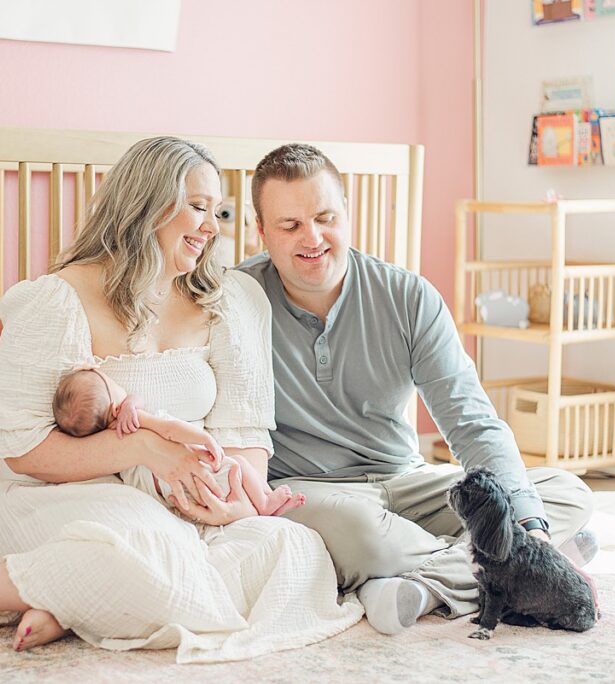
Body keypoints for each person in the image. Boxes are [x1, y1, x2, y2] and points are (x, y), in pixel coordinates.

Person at [0, 137, 361, 661]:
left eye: (218, 211)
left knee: (294, 552)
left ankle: (60, 600)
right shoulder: (59, 299)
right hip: (67, 498)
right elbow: (23, 451)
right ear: (145, 204)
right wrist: (146, 449)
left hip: (182, 508)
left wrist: (232, 501)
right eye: (197, 207)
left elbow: (244, 432)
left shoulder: (233, 302)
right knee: (135, 557)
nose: (213, 227)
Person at [237, 143, 595, 636]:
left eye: (325, 217)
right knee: (366, 537)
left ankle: (426, 588)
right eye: (290, 224)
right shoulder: (235, 302)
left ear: (347, 214)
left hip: (406, 481)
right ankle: (509, 572)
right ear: (261, 231)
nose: (313, 237)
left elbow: (470, 421)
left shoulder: (408, 296)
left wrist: (531, 528)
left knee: (562, 493)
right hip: (315, 492)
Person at [51, 366, 305, 515]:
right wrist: (204, 438)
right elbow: (171, 430)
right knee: (238, 465)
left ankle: (269, 504)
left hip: (170, 494)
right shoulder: (133, 420)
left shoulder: (108, 442)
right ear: (115, 405)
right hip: (191, 473)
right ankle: (265, 502)